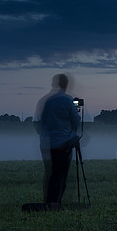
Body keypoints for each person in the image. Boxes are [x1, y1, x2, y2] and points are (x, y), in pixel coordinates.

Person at [35, 74, 81, 205]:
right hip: (63, 143)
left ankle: (50, 200)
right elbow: (76, 120)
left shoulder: (49, 101)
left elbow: (42, 122)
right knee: (61, 175)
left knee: (52, 173)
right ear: (65, 84)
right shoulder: (67, 100)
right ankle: (55, 202)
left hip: (48, 143)